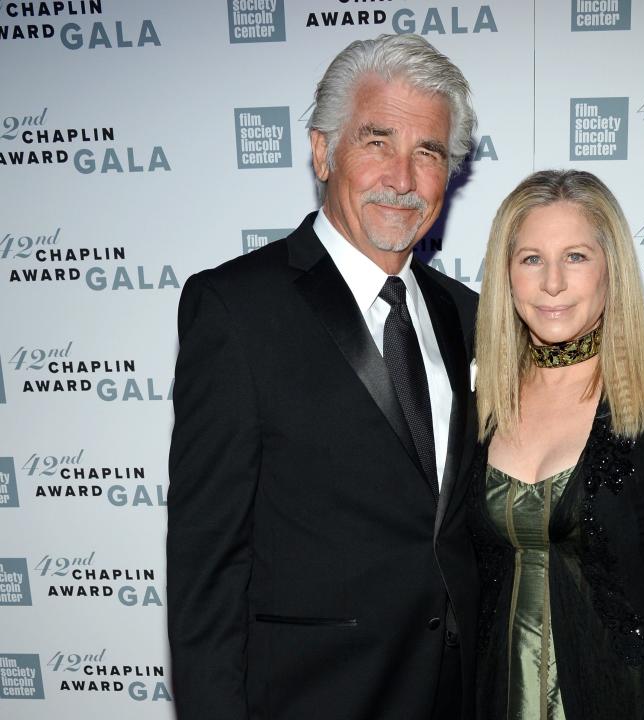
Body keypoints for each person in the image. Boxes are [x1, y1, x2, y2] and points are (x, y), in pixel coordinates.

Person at [167, 34, 479, 720]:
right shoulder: (237, 310)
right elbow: (206, 567)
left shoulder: (469, 315)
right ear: (321, 151)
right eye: (377, 141)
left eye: (427, 151)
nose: (402, 177)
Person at [469, 170, 644, 719]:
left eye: (575, 257)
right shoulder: (479, 399)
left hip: (633, 699)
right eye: (530, 259)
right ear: (505, 274)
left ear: (610, 268)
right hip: (499, 695)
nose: (552, 283)